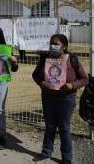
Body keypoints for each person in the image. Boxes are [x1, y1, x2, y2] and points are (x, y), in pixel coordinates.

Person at [32, 34, 89, 164]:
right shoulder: (45, 58)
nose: (53, 46)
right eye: (51, 43)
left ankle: (67, 157)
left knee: (64, 127)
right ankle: (46, 152)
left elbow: (85, 79)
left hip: (66, 99)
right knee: (50, 126)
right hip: (48, 97)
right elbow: (35, 75)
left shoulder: (72, 59)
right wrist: (41, 83)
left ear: (64, 47)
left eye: (56, 44)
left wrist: (72, 85)